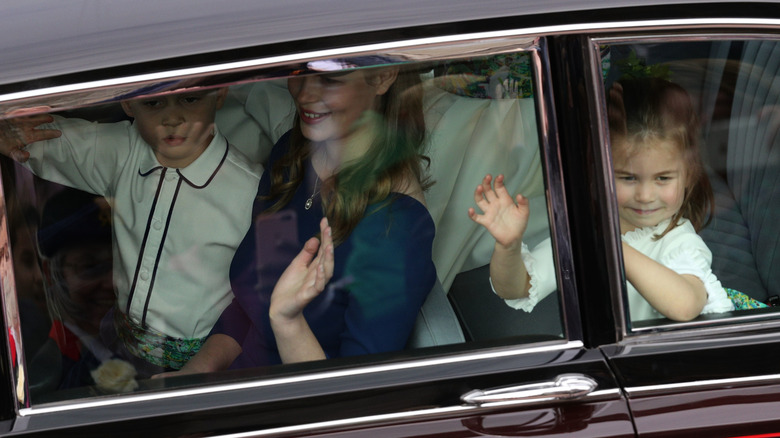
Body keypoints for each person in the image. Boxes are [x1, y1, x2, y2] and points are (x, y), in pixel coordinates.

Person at [175, 64, 437, 373]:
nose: (304, 93)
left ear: (382, 77)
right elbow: (250, 306)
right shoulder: (292, 156)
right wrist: (196, 373)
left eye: (329, 78)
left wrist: (289, 323)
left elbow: (350, 399)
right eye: (298, 71)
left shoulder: (397, 228)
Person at [0, 88, 262, 375]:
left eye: (190, 98)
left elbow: (257, 294)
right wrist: (10, 130)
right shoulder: (124, 150)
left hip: (208, 368)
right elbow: (53, 141)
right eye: (152, 102)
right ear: (127, 103)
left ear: (220, 93)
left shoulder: (251, 191)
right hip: (119, 346)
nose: (172, 118)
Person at [469, 77, 733, 322]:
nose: (644, 195)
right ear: (598, 173)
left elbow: (685, 306)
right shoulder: (585, 231)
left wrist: (611, 246)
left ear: (689, 176)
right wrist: (509, 246)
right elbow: (515, 288)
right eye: (628, 178)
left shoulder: (679, 240)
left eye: (663, 179)